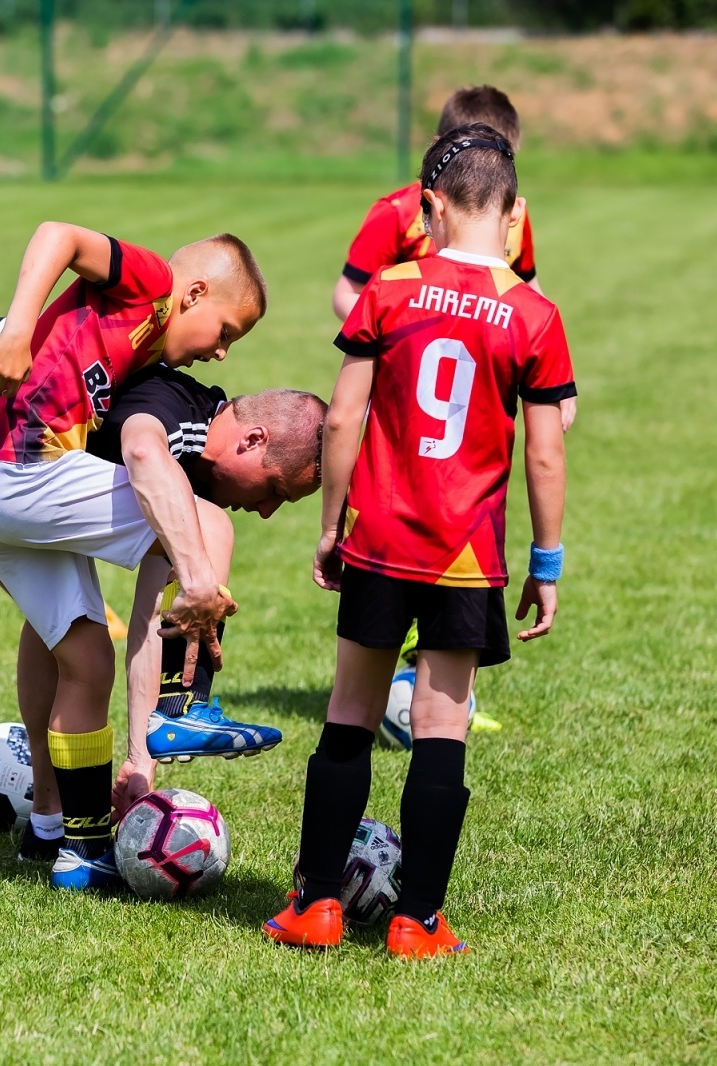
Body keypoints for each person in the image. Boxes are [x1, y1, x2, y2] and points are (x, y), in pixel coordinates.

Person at [0, 314, 323, 901]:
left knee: (79, 645)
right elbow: (140, 445)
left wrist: (140, 762)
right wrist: (198, 574)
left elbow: (148, 624)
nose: (266, 511)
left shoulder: (185, 473)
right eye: (274, 490)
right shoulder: (168, 410)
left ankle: (52, 823)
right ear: (253, 440)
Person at [264, 123, 575, 956]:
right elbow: (546, 448)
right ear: (514, 219)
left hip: (379, 538)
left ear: (430, 208)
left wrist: (330, 522)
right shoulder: (535, 315)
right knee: (443, 725)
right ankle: (419, 921)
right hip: (466, 554)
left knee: (350, 715)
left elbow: (344, 417)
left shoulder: (391, 290)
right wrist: (546, 562)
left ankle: (316, 907)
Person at [0, 223, 276, 892]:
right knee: (202, 517)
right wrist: (18, 328)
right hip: (22, 469)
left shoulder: (144, 360)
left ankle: (78, 851)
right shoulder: (153, 283)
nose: (221, 353)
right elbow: (57, 236)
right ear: (193, 293)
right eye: (225, 332)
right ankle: (176, 708)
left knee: (86, 658)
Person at [331, 85, 575, 434]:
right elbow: (347, 293)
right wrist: (403, 324)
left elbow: (530, 291)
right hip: (404, 375)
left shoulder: (511, 219)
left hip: (478, 383)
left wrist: (557, 381)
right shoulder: (396, 213)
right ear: (438, 146)